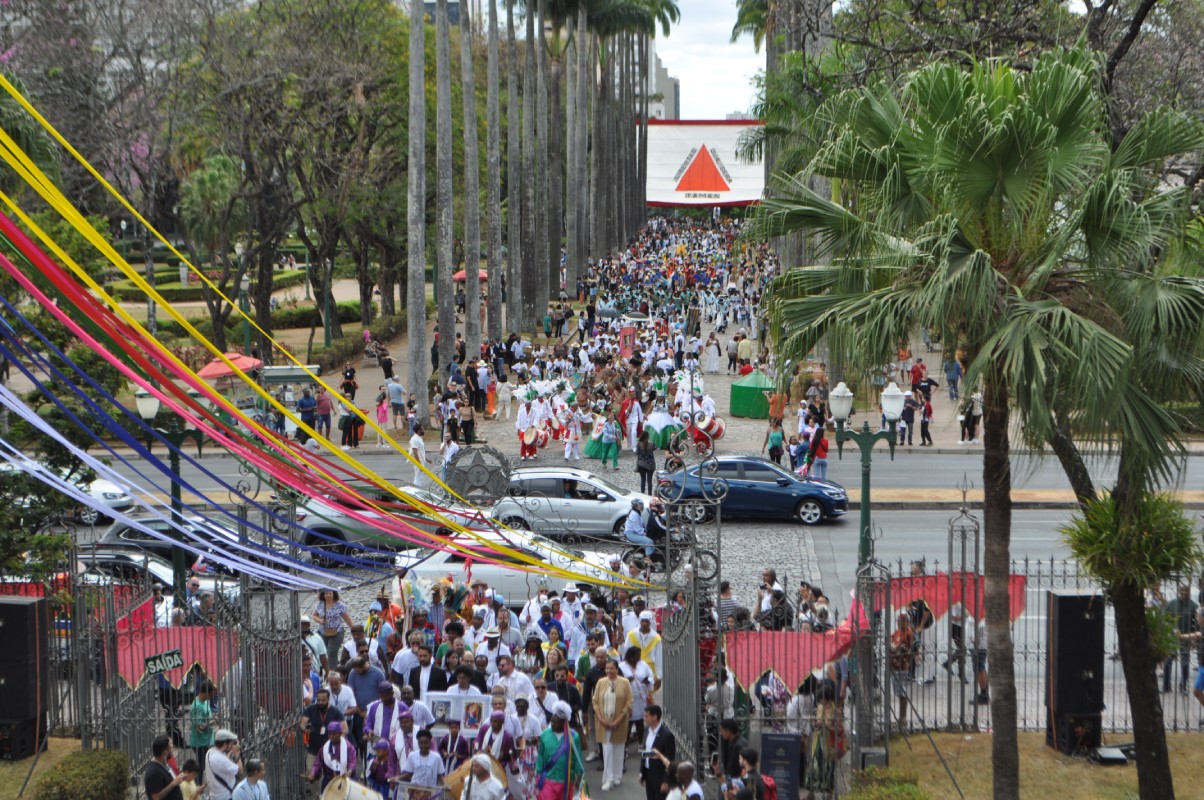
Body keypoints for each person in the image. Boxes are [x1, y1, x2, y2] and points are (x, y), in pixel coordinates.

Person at [593, 658, 633, 791]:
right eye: (607, 668)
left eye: (611, 668)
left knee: (619, 749)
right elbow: (595, 702)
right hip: (604, 723)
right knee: (607, 750)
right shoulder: (600, 682)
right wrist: (601, 719)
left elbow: (628, 703)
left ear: (617, 669)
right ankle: (608, 778)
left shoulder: (625, 682)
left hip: (619, 722)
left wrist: (618, 720)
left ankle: (617, 776)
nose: (609, 671)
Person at [535, 702, 585, 800]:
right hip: (548, 779)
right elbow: (540, 755)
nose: (552, 724)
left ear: (564, 723)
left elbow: (577, 757)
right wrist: (538, 773)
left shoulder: (574, 737)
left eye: (555, 722)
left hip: (566, 780)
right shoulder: (545, 735)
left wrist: (579, 776)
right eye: (552, 721)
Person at [146, 734, 199, 800]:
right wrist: (173, 783)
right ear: (165, 751)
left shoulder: (164, 763)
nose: (173, 749)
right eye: (171, 747)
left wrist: (179, 778)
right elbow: (156, 797)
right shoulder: (154, 772)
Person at [641, 706, 676, 800]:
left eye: (646, 716)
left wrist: (666, 781)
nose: (644, 718)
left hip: (660, 778)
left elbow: (670, 760)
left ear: (654, 717)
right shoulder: (646, 731)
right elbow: (644, 752)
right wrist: (642, 773)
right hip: (649, 776)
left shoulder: (667, 735)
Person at [309, 721, 355, 790]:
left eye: (334, 734)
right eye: (330, 734)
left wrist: (349, 771)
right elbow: (317, 763)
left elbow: (352, 761)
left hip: (345, 779)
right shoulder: (324, 748)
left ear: (340, 734)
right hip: (329, 781)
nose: (332, 736)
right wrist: (312, 773)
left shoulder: (349, 747)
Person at [312, 589, 353, 666]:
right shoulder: (320, 605)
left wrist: (352, 628)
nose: (328, 595)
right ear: (323, 595)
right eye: (326, 593)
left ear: (334, 594)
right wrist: (319, 620)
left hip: (337, 632)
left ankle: (332, 672)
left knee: (331, 652)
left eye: (330, 593)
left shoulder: (340, 605)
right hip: (323, 632)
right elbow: (314, 615)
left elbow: (346, 618)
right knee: (324, 651)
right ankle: (333, 664)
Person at [399, 729, 446, 794]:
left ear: (430, 742)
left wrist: (445, 785)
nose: (423, 745)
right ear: (418, 743)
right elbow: (409, 773)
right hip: (415, 792)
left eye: (426, 743)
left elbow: (439, 775)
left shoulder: (436, 757)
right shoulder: (412, 756)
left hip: (430, 792)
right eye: (421, 743)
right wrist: (397, 778)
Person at [205, 728, 242, 800]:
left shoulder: (210, 752)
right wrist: (237, 753)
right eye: (231, 743)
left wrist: (228, 756)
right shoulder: (221, 760)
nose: (232, 745)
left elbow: (221, 766)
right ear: (225, 744)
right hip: (226, 796)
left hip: (215, 796)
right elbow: (240, 771)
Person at [189, 682, 215, 767]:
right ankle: (197, 780)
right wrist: (212, 721)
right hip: (200, 743)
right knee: (200, 767)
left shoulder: (205, 701)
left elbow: (207, 716)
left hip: (206, 740)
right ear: (205, 693)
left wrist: (213, 717)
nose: (211, 697)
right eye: (210, 695)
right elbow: (199, 727)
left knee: (205, 766)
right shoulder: (198, 706)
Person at [636, 430, 657, 494]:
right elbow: (655, 448)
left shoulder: (639, 444)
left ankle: (642, 493)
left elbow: (637, 452)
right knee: (649, 480)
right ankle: (649, 494)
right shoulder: (651, 444)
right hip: (650, 464)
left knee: (643, 480)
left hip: (642, 464)